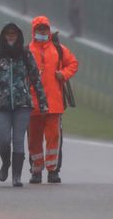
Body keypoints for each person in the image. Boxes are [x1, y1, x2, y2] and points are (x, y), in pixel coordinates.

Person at [0, 23, 48, 187]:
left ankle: (16, 176)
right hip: (1, 104)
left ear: (18, 36)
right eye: (8, 33)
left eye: (14, 34)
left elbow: (35, 79)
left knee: (18, 140)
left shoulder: (26, 55)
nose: (11, 36)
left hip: (23, 104)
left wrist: (43, 102)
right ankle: (6, 163)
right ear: (3, 36)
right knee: (3, 140)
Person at [28, 16, 78, 184]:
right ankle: (36, 171)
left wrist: (62, 75)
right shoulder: (27, 50)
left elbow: (73, 63)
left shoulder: (58, 49)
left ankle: (53, 170)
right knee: (34, 139)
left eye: (45, 29)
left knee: (53, 137)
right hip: (33, 104)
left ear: (49, 31)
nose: (42, 32)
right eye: (39, 29)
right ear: (33, 31)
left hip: (53, 103)